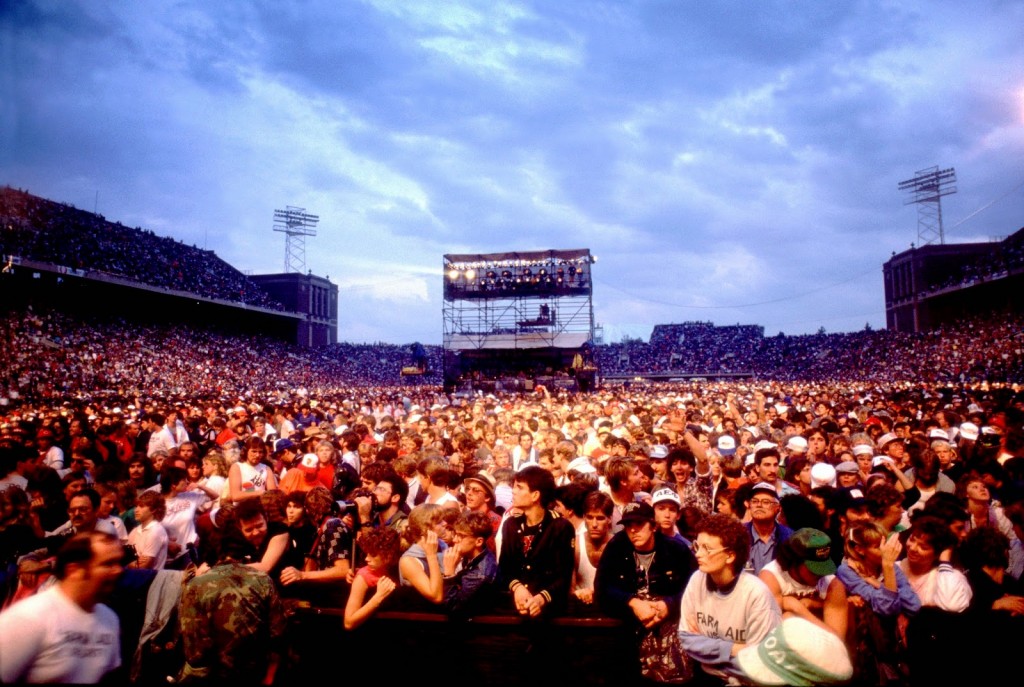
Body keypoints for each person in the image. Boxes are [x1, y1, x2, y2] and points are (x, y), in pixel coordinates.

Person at [0, 531, 123, 684]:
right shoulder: (28, 618)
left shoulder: (109, 618)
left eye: (118, 562)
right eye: (108, 564)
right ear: (74, 570)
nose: (118, 570)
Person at [595, 501, 697, 682]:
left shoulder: (676, 549)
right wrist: (632, 601)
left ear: (653, 526)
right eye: (628, 526)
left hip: (670, 631)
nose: (633, 531)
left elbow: (695, 589)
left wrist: (669, 604)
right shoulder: (617, 546)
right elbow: (602, 587)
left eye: (639, 525)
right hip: (629, 631)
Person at [678, 512, 782, 682]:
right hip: (706, 676)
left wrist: (706, 650)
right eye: (697, 546)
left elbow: (760, 660)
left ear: (730, 556)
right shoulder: (697, 579)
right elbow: (686, 639)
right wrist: (733, 649)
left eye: (707, 549)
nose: (698, 554)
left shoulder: (756, 594)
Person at [177, 532, 287, 683]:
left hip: (213, 674)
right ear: (243, 553)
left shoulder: (195, 585)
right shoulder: (263, 579)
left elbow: (194, 650)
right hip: (254, 671)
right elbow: (278, 633)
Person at [498, 465, 576, 617]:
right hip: (516, 606)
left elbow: (563, 575)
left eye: (519, 487)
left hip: (550, 611)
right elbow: (504, 567)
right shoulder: (511, 525)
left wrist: (541, 598)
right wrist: (518, 588)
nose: (513, 491)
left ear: (535, 495)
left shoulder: (560, 527)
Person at [757, 528, 847, 638]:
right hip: (780, 646)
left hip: (821, 646)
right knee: (788, 618)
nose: (821, 574)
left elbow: (836, 640)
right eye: (814, 569)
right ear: (794, 561)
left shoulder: (832, 584)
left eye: (823, 567)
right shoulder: (771, 577)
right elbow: (768, 634)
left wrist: (799, 608)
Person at [441, 510, 500, 618]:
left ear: (479, 542)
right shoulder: (469, 556)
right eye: (455, 534)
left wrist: (449, 573)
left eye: (461, 536)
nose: (454, 539)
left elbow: (453, 608)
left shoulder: (481, 574)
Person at [344, 526, 402, 629]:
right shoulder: (363, 576)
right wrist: (378, 597)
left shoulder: (397, 569)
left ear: (389, 555)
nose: (367, 559)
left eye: (373, 555)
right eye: (367, 553)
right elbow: (348, 623)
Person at [744, 481, 793, 574]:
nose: (758, 505)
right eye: (754, 501)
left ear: (777, 508)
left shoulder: (789, 537)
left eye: (766, 502)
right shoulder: (738, 534)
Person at [128, 490, 169, 570]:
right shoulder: (134, 531)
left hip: (150, 580)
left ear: (153, 509)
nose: (136, 510)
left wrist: (127, 563)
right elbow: (122, 557)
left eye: (141, 506)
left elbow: (143, 567)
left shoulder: (156, 531)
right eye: (136, 506)